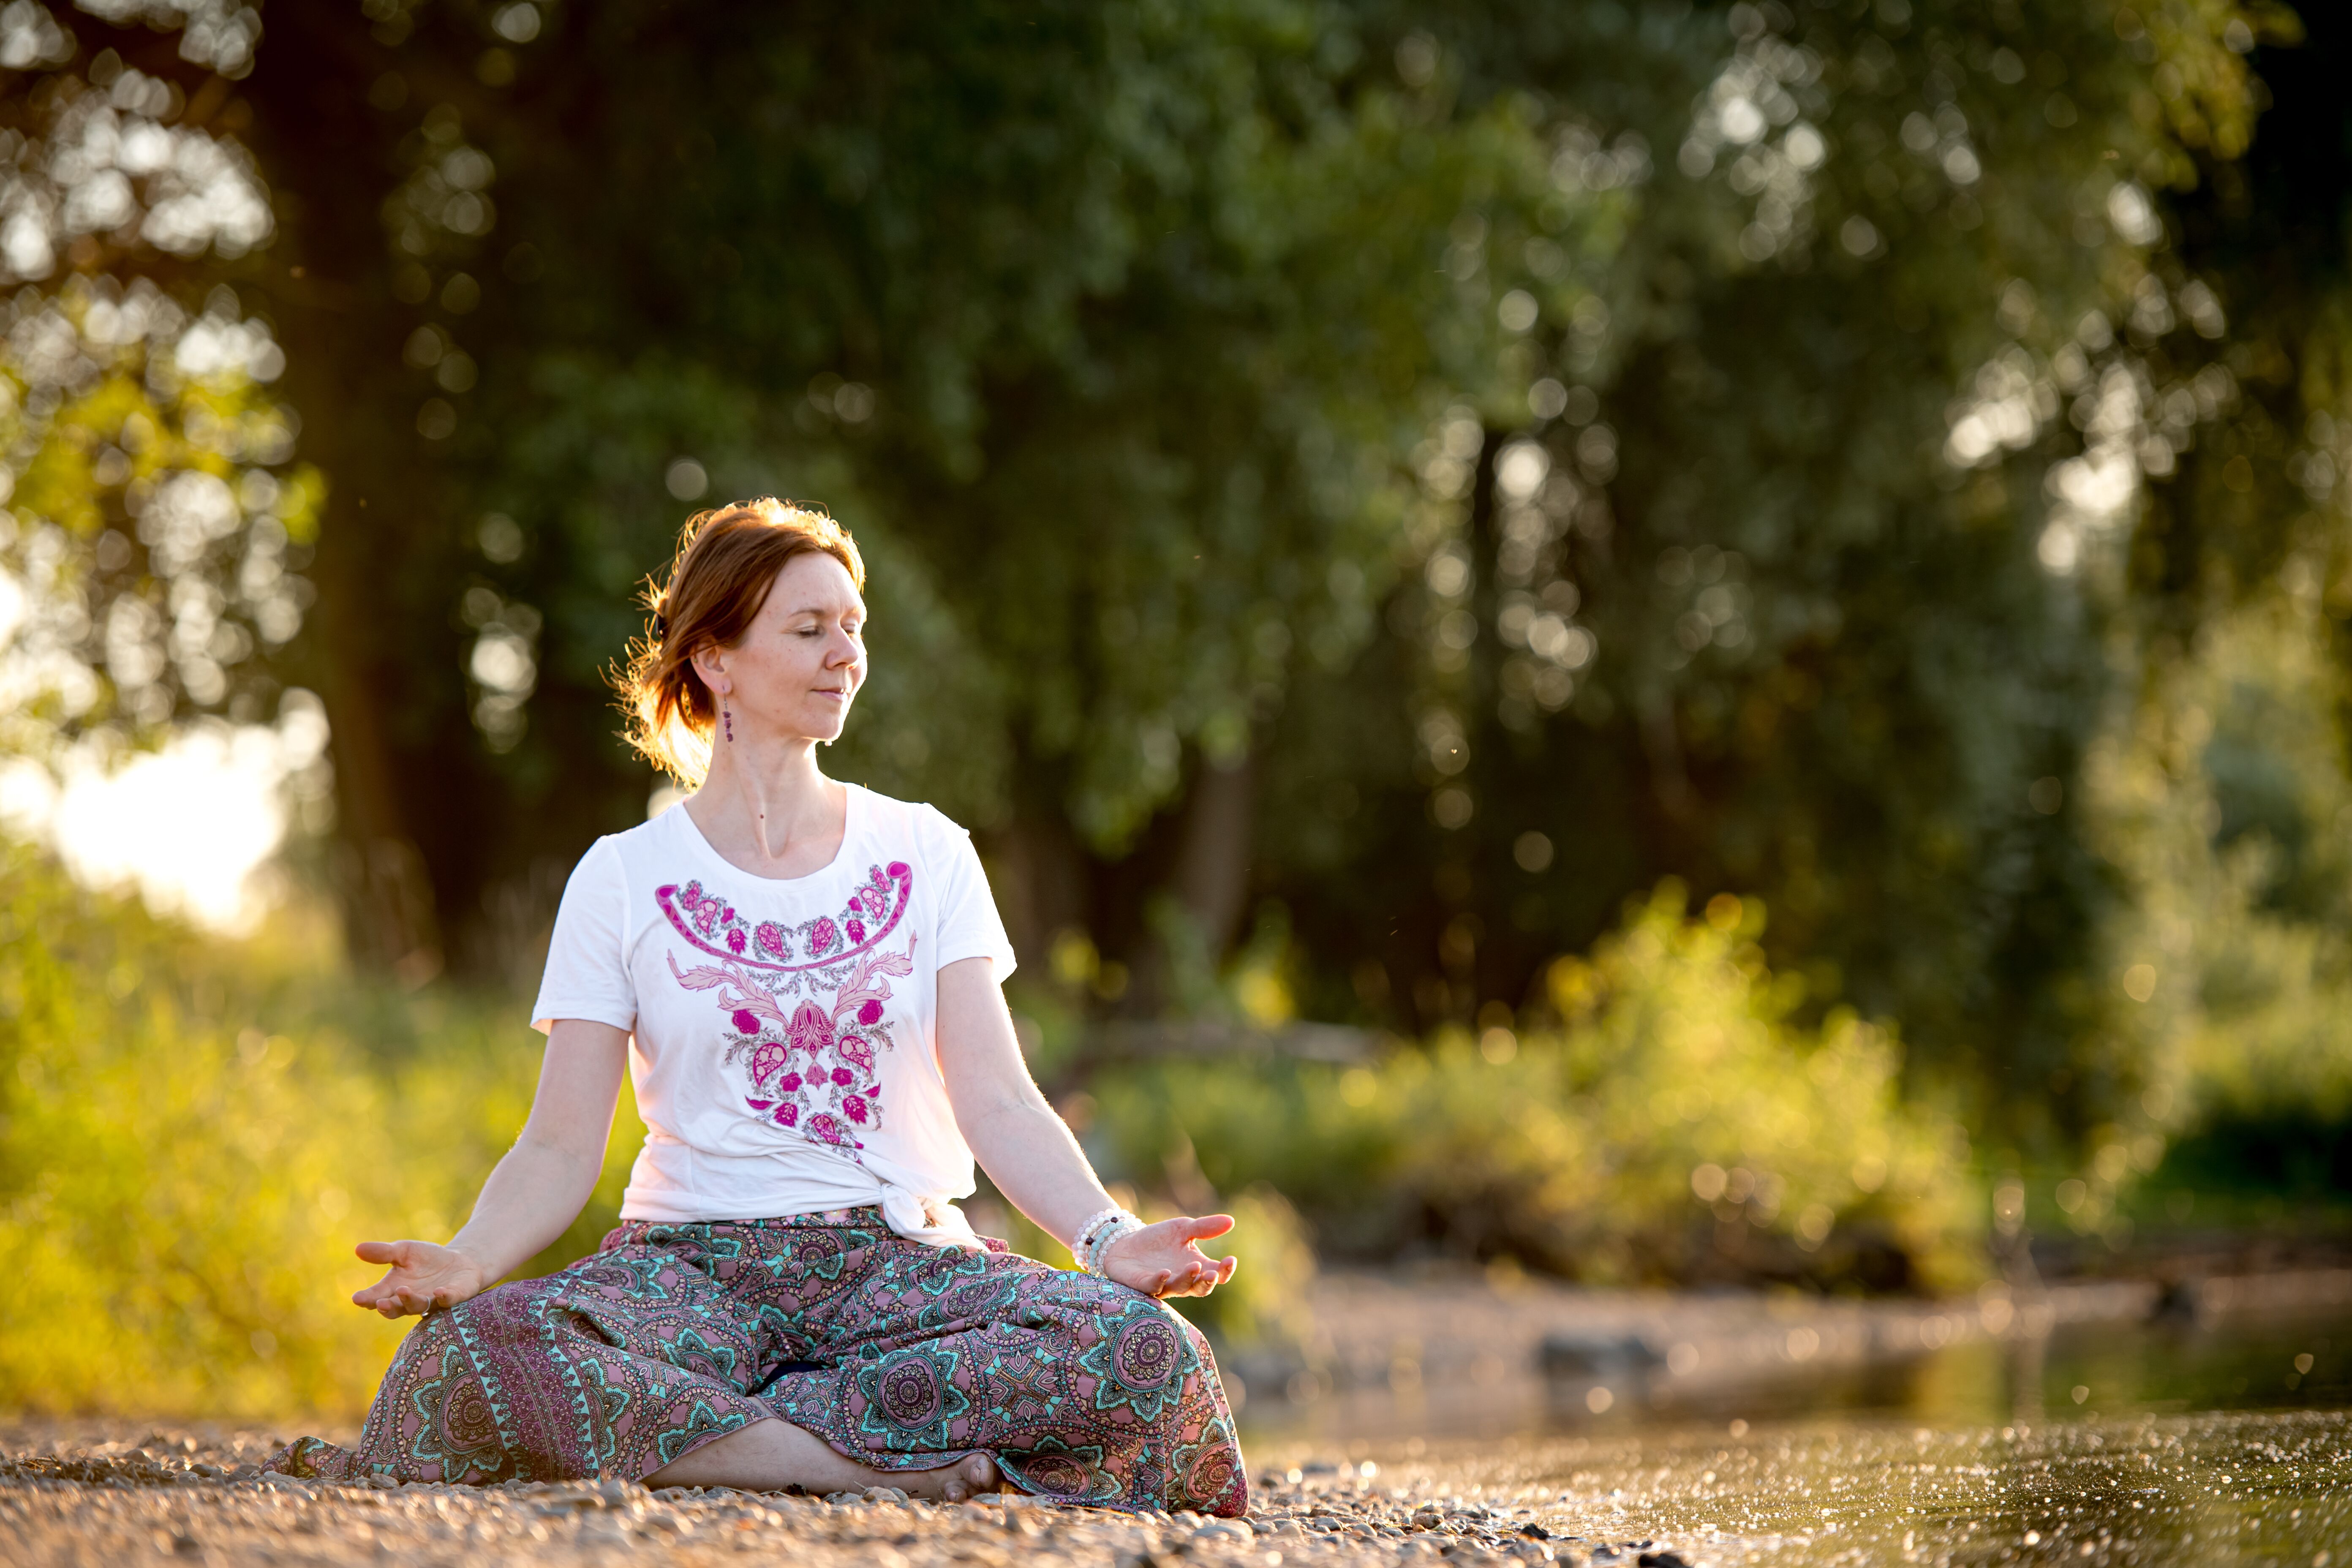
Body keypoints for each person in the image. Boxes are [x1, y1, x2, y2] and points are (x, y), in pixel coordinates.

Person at [269, 499, 1248, 1514]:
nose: (846, 654)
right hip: (691, 1272)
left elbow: (999, 1098)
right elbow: (561, 1147)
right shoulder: (622, 877)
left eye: (854, 627)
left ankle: (729, 1431)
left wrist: (1105, 1235)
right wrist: (468, 1258)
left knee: (1147, 1352)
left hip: (897, 1269)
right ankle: (850, 1460)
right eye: (809, 627)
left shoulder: (928, 851)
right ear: (714, 659)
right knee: (466, 1357)